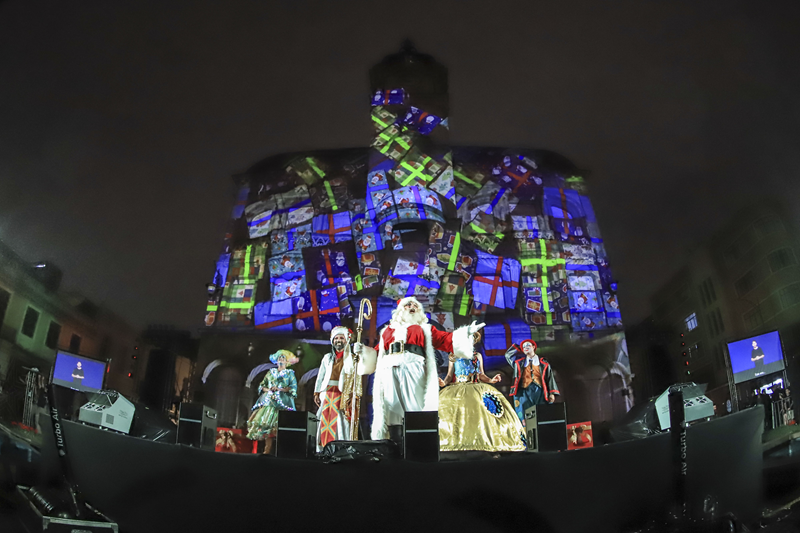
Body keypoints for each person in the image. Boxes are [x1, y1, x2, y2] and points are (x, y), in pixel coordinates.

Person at [354, 296, 483, 440]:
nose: (412, 307)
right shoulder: (387, 331)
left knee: (414, 405)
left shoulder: (424, 328)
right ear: (400, 309)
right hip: (389, 369)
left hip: (413, 367)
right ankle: (395, 444)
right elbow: (377, 354)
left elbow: (445, 339)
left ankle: (416, 444)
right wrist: (363, 352)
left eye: (415, 305)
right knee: (392, 409)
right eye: (408, 304)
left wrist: (466, 332)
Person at [438, 333, 525, 452]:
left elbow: (481, 374)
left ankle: (486, 443)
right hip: (458, 388)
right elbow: (449, 375)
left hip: (476, 387)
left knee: (482, 413)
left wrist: (491, 380)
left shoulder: (477, 356)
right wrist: (443, 383)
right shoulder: (453, 356)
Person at [313, 326, 359, 451]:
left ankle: (340, 447)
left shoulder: (352, 358)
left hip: (342, 392)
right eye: (336, 338)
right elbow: (320, 376)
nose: (339, 340)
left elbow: (356, 377)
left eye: (341, 338)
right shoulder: (327, 357)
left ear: (346, 340)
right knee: (324, 419)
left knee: (339, 420)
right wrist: (316, 392)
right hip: (326, 392)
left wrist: (353, 394)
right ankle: (322, 448)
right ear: (332, 341)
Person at [247, 349, 299, 454]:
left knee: (281, 428)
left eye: (283, 358)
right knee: (268, 428)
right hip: (269, 402)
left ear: (287, 361)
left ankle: (281, 452)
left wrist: (280, 389)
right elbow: (262, 385)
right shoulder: (271, 372)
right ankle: (267, 450)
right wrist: (269, 389)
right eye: (279, 358)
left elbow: (293, 388)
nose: (281, 360)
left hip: (282, 404)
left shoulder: (290, 374)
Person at [505, 339, 560, 425]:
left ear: (534, 347)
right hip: (524, 392)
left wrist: (551, 393)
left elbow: (550, 378)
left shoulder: (543, 364)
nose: (525, 348)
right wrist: (517, 347)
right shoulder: (519, 363)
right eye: (523, 347)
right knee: (525, 416)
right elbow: (508, 355)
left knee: (541, 413)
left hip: (540, 391)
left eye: (528, 345)